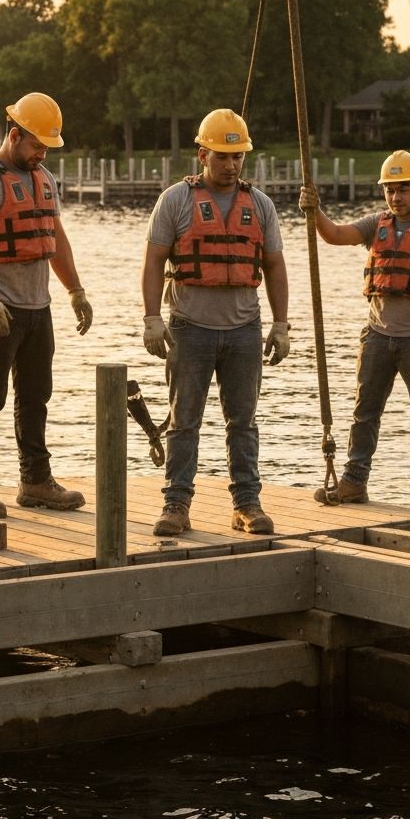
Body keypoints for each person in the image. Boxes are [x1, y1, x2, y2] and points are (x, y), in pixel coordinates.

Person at [141, 108, 290, 537]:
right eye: (222, 157)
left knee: (242, 422)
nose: (231, 166)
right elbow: (153, 262)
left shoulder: (259, 204)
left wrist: (281, 325)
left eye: (238, 157)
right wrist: (152, 318)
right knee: (183, 420)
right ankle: (176, 504)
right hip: (190, 327)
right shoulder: (176, 200)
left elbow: (276, 267)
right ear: (202, 153)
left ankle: (246, 504)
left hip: (244, 328)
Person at [0, 92, 94, 520]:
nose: (42, 153)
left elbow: (55, 239)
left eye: (47, 146)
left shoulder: (44, 178)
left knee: (36, 397)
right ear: (14, 135)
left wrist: (75, 291)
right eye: (36, 145)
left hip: (39, 307)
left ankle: (35, 481)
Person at [299, 150, 410, 515]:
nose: (395, 197)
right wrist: (315, 210)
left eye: (403, 189)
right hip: (377, 336)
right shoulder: (377, 224)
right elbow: (335, 235)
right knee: (364, 412)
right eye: (389, 190)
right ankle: (354, 480)